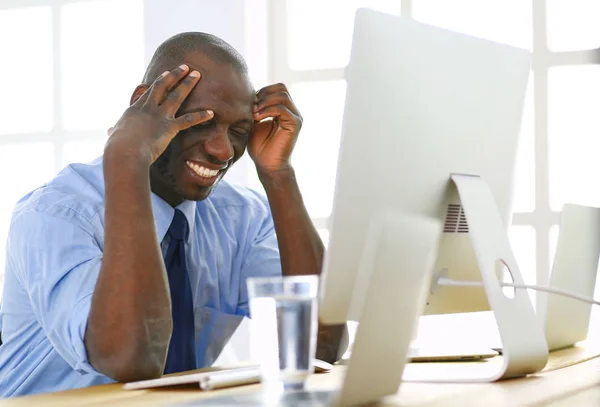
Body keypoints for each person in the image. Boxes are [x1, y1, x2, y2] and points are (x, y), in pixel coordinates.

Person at [0, 32, 346, 397]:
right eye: (201, 122)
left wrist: (279, 175)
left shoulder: (241, 218)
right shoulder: (55, 216)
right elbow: (132, 359)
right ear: (144, 106)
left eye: (239, 132)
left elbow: (319, 347)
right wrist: (127, 155)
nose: (222, 150)